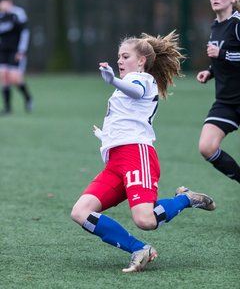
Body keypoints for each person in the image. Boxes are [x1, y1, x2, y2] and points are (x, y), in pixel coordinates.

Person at [71, 31, 216, 273]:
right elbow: (129, 119)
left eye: (125, 56)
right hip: (116, 161)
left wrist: (113, 81)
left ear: (141, 61)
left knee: (146, 220)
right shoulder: (123, 86)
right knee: (80, 212)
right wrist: (104, 136)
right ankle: (139, 249)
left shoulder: (143, 79)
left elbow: (136, 92)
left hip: (136, 156)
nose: (119, 60)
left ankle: (186, 198)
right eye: (118, 56)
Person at [197, 0, 240, 183]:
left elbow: (225, 54)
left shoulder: (238, 24)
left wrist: (221, 54)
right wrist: (210, 71)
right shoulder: (215, 26)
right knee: (207, 147)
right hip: (226, 101)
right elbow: (223, 59)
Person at [0, 0, 33, 115]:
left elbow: (25, 32)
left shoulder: (18, 13)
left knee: (15, 78)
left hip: (16, 50)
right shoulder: (1, 16)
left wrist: (22, 50)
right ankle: (7, 108)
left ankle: (28, 98)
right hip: (3, 50)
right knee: (4, 76)